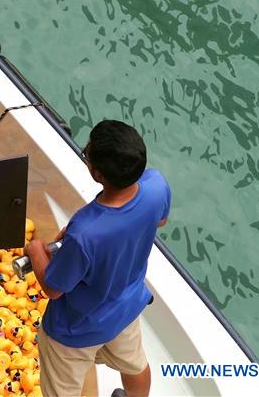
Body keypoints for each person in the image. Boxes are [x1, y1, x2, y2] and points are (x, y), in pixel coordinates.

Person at [25, 120, 171, 397]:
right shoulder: (156, 186)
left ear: (99, 174)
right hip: (126, 308)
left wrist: (35, 251)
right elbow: (159, 221)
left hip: (75, 330)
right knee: (135, 365)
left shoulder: (84, 233)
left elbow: (54, 289)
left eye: (87, 153)